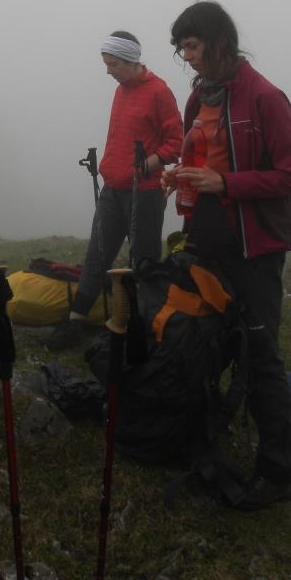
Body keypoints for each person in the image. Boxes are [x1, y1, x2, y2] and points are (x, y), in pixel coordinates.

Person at [162, 0, 291, 510]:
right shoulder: (198, 97)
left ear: (219, 43)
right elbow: (197, 159)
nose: (186, 56)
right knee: (205, 341)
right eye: (181, 49)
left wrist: (226, 182)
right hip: (205, 239)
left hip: (254, 247)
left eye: (191, 46)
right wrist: (179, 175)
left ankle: (277, 469)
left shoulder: (265, 98)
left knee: (261, 353)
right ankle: (206, 434)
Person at [47, 31, 183, 350]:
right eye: (106, 64)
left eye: (113, 64)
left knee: (143, 260)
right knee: (97, 254)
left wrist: (146, 165)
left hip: (144, 192)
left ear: (131, 60)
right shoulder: (121, 91)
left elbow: (176, 142)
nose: (108, 71)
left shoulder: (159, 92)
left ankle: (144, 326)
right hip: (112, 188)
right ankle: (75, 321)